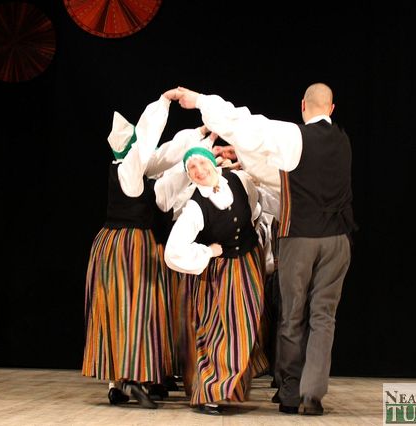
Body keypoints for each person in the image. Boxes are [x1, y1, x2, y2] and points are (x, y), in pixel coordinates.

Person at [171, 83, 357, 416]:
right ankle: (312, 396)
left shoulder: (294, 136)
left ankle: (290, 393)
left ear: (303, 106)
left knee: (292, 316)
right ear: (331, 109)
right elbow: (290, 178)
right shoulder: (343, 141)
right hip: (338, 240)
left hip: (301, 237)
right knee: (323, 318)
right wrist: (241, 157)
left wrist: (199, 100)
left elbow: (244, 123)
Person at [82, 92, 202, 408]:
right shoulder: (129, 168)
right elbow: (147, 143)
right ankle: (131, 378)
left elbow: (166, 155)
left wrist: (202, 135)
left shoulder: (137, 170)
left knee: (123, 309)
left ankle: (117, 383)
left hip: (120, 245)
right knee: (133, 309)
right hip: (127, 247)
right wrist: (163, 102)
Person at [163, 146, 268, 415]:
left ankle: (230, 388)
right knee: (222, 331)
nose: (198, 171)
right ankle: (211, 392)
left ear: (212, 163)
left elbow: (252, 207)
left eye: (201, 164)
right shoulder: (195, 207)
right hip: (221, 272)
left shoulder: (238, 180)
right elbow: (172, 252)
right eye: (191, 169)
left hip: (248, 263)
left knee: (246, 327)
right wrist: (208, 251)